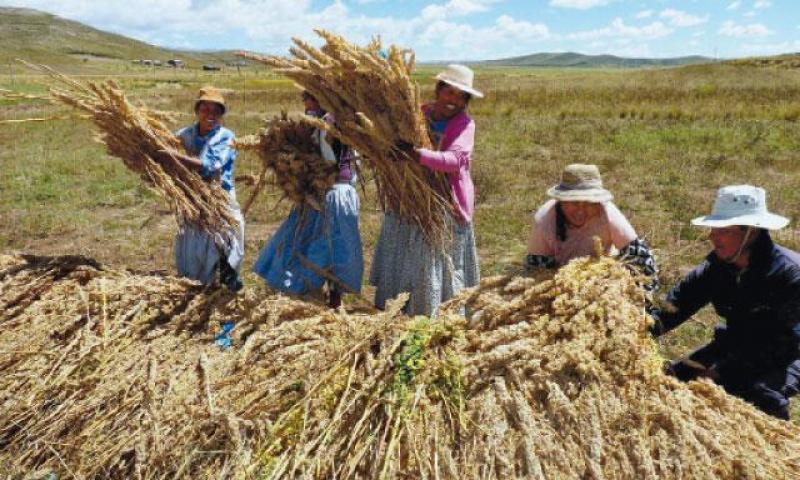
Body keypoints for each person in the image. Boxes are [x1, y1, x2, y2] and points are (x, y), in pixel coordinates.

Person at [651, 185, 800, 419]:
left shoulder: (789, 275)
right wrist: (638, 330)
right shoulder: (717, 268)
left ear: (751, 232)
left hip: (788, 350)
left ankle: (780, 447)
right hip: (737, 341)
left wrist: (721, 372)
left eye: (723, 230)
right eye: (713, 228)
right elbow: (675, 307)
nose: (712, 236)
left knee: (758, 393)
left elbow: (774, 343)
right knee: (673, 378)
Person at [370, 64, 482, 317]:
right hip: (408, 197)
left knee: (430, 259)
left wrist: (417, 155)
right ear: (438, 89)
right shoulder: (418, 113)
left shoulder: (464, 124)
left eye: (460, 95)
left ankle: (434, 312)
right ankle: (396, 309)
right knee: (404, 253)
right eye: (449, 92)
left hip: (443, 202)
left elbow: (456, 161)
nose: (453, 99)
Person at [252, 91, 363, 308]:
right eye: (306, 99)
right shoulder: (313, 125)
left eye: (314, 99)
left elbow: (334, 159)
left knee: (332, 248)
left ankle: (331, 299)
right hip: (317, 196)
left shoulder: (333, 123)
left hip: (335, 195)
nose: (308, 104)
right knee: (309, 243)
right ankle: (308, 293)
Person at [525, 163, 657, 287]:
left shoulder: (608, 214)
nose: (581, 211)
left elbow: (641, 259)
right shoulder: (545, 220)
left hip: (602, 275)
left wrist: (641, 296)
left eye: (589, 203)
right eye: (574, 202)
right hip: (559, 279)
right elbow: (536, 269)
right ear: (561, 201)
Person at [173, 87, 244, 291]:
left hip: (219, 198)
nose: (210, 115)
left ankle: (225, 290)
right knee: (193, 247)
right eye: (205, 109)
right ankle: (194, 289)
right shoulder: (184, 134)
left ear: (222, 115)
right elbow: (165, 153)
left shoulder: (226, 137)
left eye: (216, 111)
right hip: (192, 200)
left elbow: (209, 167)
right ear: (197, 110)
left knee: (222, 243)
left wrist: (172, 156)